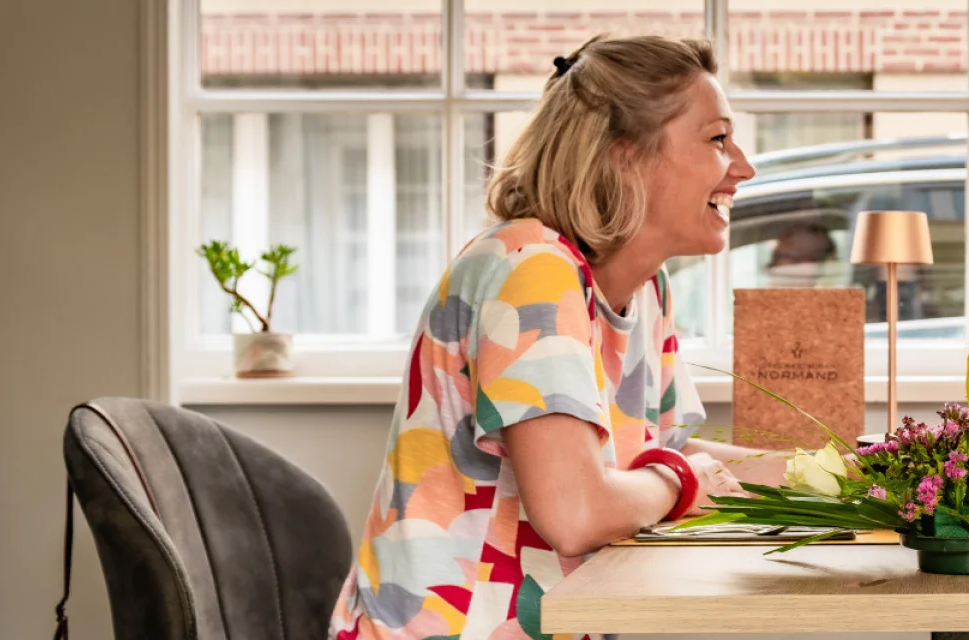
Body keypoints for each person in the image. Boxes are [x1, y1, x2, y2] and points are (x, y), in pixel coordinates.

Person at [329, 35, 786, 640]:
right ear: (625, 156)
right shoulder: (531, 270)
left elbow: (662, 455)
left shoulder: (646, 289)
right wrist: (679, 481)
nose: (743, 167)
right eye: (717, 139)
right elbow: (577, 512)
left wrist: (847, 473)